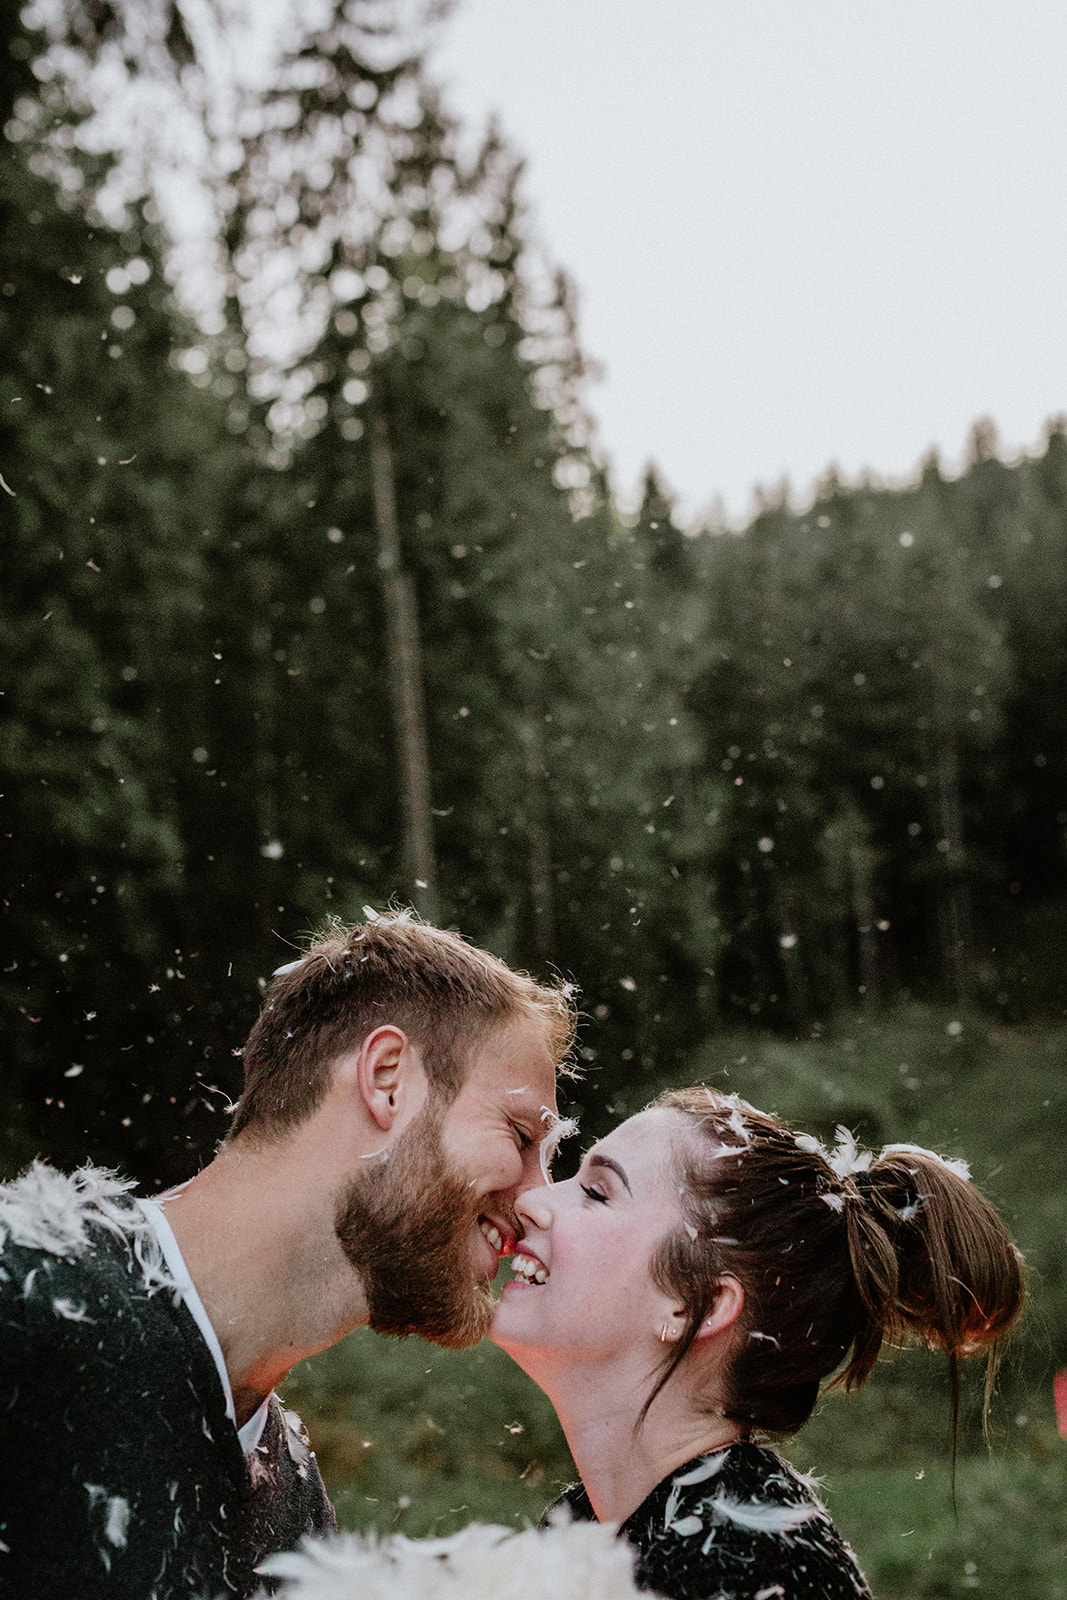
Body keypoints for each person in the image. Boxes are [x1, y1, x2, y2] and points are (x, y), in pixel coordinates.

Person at [0, 910, 576, 1599]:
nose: (540, 1200)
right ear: (387, 1079)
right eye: (519, 1135)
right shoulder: (24, 1294)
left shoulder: (295, 1509)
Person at [492, 1087, 1025, 1600]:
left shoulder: (748, 1560)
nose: (535, 1199)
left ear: (697, 1302)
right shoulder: (602, 1529)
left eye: (595, 1192)